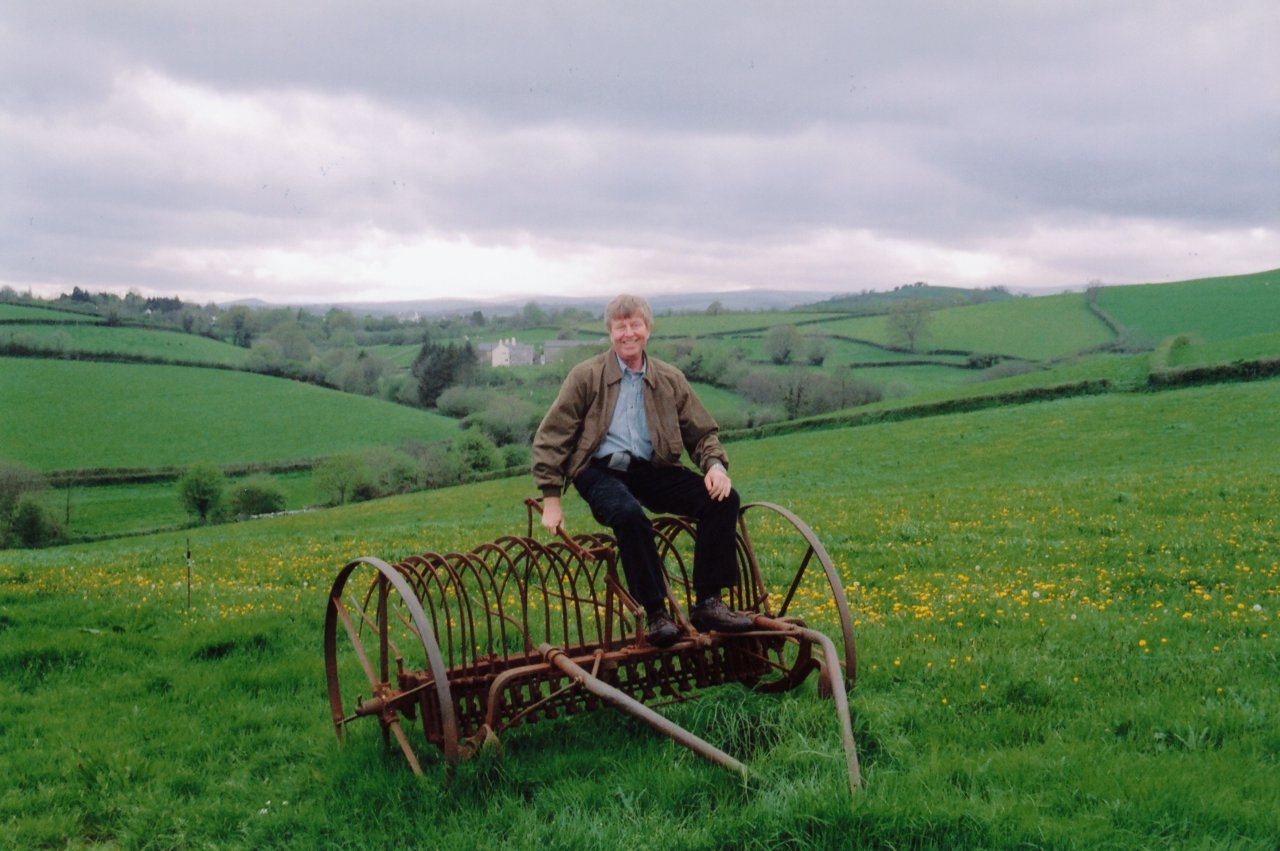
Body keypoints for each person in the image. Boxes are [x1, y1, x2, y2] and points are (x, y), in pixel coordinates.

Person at [532, 294, 754, 647]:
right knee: (629, 515)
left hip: (652, 468)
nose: (628, 333)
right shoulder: (585, 377)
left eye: (635, 324)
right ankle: (656, 613)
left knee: (722, 500)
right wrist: (551, 498)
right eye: (620, 326)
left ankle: (709, 603)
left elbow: (701, 432)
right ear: (610, 332)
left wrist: (714, 466)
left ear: (648, 330)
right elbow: (552, 437)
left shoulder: (669, 379)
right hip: (599, 470)